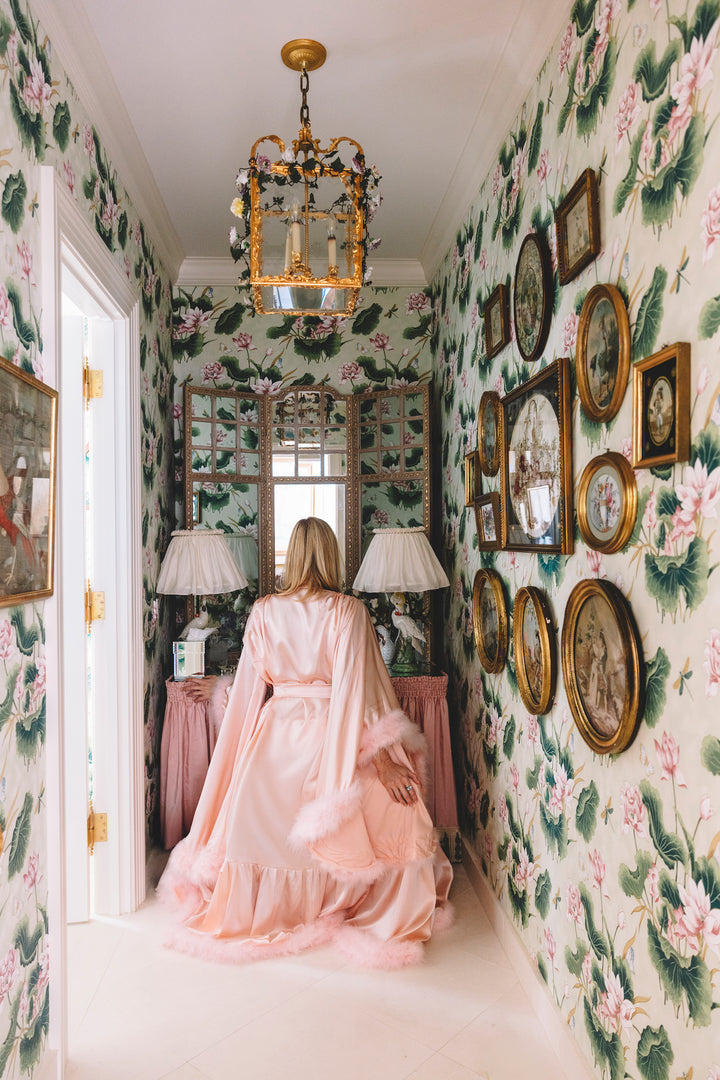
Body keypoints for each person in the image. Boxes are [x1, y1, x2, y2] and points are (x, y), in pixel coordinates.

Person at [158, 517, 453, 968]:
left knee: (252, 822)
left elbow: (249, 694)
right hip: (331, 729)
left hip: (274, 734)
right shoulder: (348, 611)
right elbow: (360, 691)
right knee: (393, 812)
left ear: (290, 555)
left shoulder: (263, 610)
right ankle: (341, 900)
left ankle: (265, 907)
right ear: (331, 554)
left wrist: (223, 693)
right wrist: (383, 759)